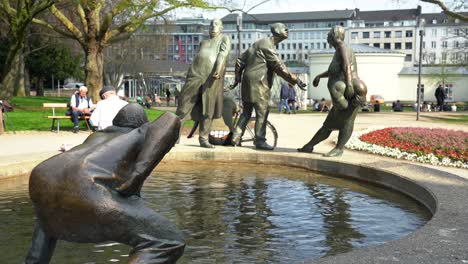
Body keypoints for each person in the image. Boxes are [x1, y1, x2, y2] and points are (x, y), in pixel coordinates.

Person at [26, 105, 185, 263]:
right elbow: (170, 120)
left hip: (42, 179)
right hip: (85, 188)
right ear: (142, 123)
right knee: (168, 241)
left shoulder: (97, 136)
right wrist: (138, 176)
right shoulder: (140, 131)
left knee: (48, 219)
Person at [230, 23, 306, 150]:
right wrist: (295, 80)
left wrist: (238, 78)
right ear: (276, 31)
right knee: (262, 112)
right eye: (284, 28)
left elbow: (239, 60)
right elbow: (279, 67)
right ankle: (260, 140)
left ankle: (235, 137)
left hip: (247, 83)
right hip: (259, 84)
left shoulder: (259, 43)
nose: (287, 30)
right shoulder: (268, 46)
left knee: (246, 112)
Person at [298, 25, 367, 157]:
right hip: (343, 93)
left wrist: (349, 86)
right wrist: (319, 76)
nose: (327, 37)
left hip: (350, 93)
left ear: (334, 36)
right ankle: (309, 145)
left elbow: (347, 66)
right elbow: (333, 71)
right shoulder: (338, 50)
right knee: (329, 124)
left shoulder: (342, 47)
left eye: (329, 34)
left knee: (347, 120)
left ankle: (339, 148)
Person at [176, 18, 231, 148]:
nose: (213, 26)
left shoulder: (224, 39)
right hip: (195, 75)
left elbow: (222, 54)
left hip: (211, 78)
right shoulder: (203, 42)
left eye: (216, 24)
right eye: (211, 24)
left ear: (221, 28)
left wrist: (217, 70)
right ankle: (173, 137)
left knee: (208, 109)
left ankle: (203, 138)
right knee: (183, 106)